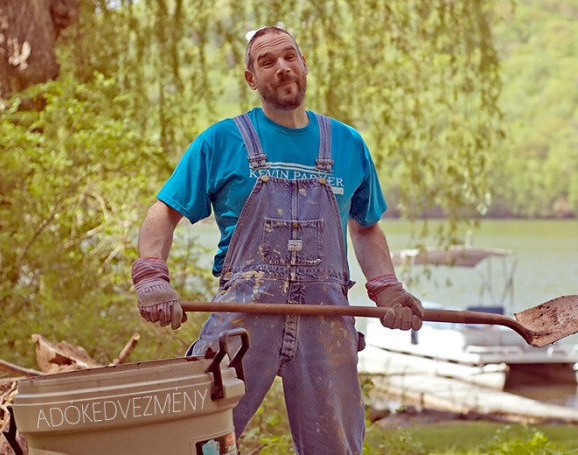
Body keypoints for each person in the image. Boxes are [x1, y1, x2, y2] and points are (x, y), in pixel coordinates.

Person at [131, 25, 423, 454]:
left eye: (290, 57)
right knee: (198, 441)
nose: (282, 68)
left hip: (325, 324)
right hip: (244, 319)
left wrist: (387, 288)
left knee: (335, 448)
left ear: (304, 64)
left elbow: (365, 227)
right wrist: (152, 276)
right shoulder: (221, 140)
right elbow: (163, 213)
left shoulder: (347, 143)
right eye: (267, 62)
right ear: (251, 78)